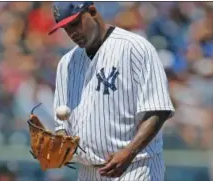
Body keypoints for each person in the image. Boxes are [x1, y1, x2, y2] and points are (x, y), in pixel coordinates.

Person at [50, 2, 175, 181]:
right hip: (89, 171)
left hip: (135, 167)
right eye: (65, 28)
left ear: (92, 11)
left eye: (75, 23)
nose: (72, 33)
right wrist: (60, 142)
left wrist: (129, 151)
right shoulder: (66, 63)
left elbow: (158, 109)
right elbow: (63, 123)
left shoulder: (135, 47)